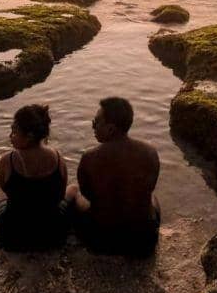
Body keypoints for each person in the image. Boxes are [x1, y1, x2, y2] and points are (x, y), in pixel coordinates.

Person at [66, 97, 161, 256]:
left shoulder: (90, 157)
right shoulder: (150, 152)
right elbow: (150, 187)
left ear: (110, 129)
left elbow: (88, 195)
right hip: (144, 240)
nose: (93, 127)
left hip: (102, 240)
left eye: (96, 123)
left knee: (73, 192)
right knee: (152, 198)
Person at [0, 104, 69, 250]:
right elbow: (60, 194)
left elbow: (4, 187)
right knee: (71, 191)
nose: (10, 136)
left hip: (11, 236)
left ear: (29, 136)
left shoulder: (7, 160)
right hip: (53, 235)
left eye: (14, 131)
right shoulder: (59, 158)